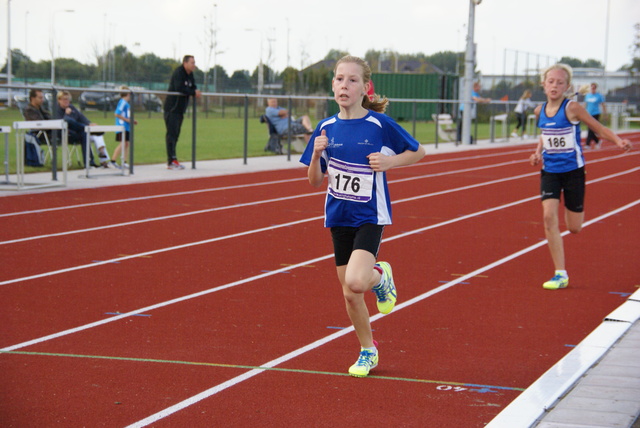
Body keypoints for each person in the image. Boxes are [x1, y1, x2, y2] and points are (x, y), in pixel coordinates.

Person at [300, 55, 426, 377]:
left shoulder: (379, 125)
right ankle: (368, 350)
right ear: (333, 85)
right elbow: (315, 180)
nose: (345, 85)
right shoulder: (325, 128)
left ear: (365, 88)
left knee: (357, 280)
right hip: (339, 215)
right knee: (349, 293)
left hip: (370, 214)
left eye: (352, 80)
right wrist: (316, 154)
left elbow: (418, 151)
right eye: (340, 79)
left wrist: (390, 163)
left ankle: (381, 276)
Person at [529, 64, 631, 290]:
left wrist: (618, 141)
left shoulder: (572, 108)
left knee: (574, 227)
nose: (554, 85)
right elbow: (545, 134)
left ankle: (574, 220)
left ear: (567, 87)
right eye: (551, 81)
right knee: (548, 217)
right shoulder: (539, 111)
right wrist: (537, 152)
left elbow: (598, 127)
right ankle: (560, 273)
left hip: (573, 172)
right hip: (550, 172)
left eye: (560, 82)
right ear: (543, 84)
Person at [54, 90, 111, 168]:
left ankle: (94, 162)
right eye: (64, 99)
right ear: (59, 100)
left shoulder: (72, 107)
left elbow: (81, 117)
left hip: (78, 132)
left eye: (67, 99)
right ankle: (88, 129)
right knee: (68, 120)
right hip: (65, 134)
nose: (66, 101)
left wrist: (89, 123)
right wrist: (66, 114)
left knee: (88, 133)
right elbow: (61, 123)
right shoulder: (56, 110)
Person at [164, 55, 202, 170]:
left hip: (180, 110)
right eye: (192, 62)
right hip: (172, 109)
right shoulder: (179, 73)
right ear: (185, 63)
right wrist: (193, 92)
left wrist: (195, 91)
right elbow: (180, 88)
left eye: (194, 62)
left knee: (176, 135)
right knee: (171, 134)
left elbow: (193, 87)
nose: (193, 65)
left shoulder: (190, 74)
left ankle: (173, 159)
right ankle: (171, 160)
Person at [111, 88, 137, 169]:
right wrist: (127, 120)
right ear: (128, 94)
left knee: (126, 144)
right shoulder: (122, 102)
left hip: (126, 127)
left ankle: (124, 162)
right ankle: (113, 161)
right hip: (122, 127)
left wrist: (132, 120)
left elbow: (126, 114)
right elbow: (117, 114)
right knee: (123, 143)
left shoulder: (126, 103)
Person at [584, 82, 607, 149]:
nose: (592, 89)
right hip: (588, 114)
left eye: (594, 88)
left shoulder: (599, 96)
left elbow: (603, 105)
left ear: (596, 88)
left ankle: (587, 144)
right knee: (592, 129)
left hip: (595, 113)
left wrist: (605, 114)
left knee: (591, 128)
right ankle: (597, 141)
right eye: (592, 87)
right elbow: (585, 104)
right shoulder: (587, 95)